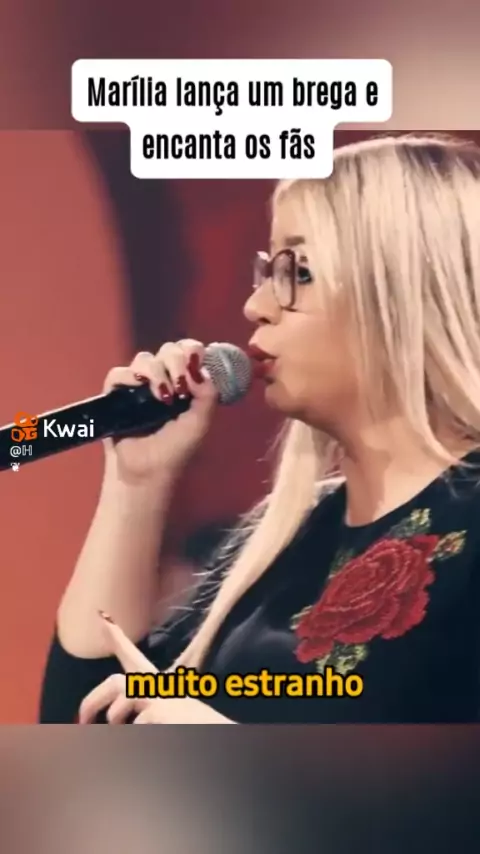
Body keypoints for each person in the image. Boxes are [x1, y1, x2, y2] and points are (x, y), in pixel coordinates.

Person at [40, 133, 480, 724]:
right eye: (267, 271)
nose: (255, 306)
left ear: (402, 292)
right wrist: (135, 487)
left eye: (298, 271)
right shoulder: (277, 542)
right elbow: (80, 727)